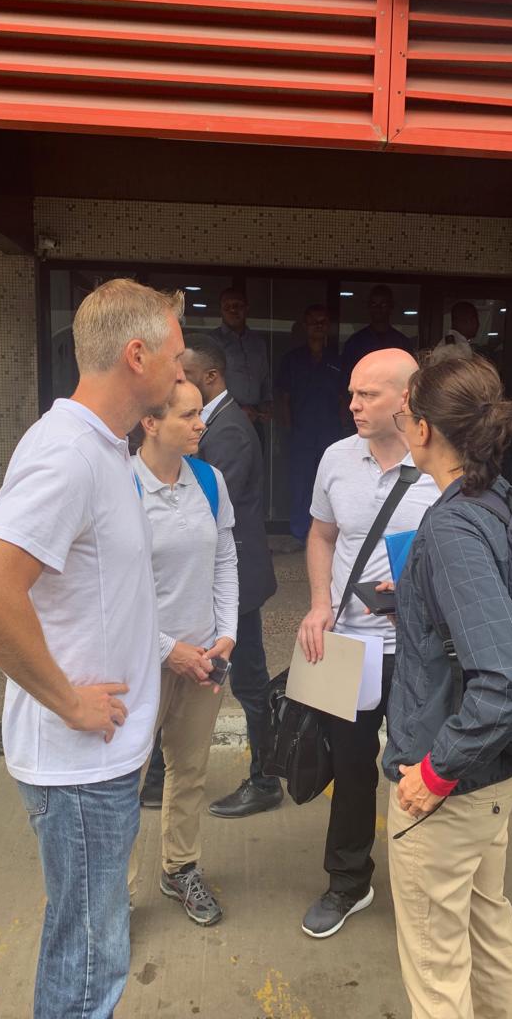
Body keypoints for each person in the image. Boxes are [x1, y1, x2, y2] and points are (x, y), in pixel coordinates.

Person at [0, 279, 185, 1019]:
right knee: (89, 965)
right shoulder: (68, 454)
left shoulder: (104, 449)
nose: (183, 372)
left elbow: (106, 596)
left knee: (91, 947)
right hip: (82, 766)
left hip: (101, 760)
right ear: (137, 355)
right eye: (176, 357)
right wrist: (69, 702)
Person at [383, 353, 512, 1019]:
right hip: (496, 776)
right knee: (486, 921)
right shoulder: (499, 499)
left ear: (423, 429)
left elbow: (509, 677)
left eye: (404, 414)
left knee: (437, 966)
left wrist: (435, 771)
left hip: (452, 782)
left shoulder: (451, 526)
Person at [296, 348, 439, 938]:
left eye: (367, 394)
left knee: (419, 771)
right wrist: (319, 604)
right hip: (350, 646)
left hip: (418, 650)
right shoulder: (336, 457)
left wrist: (419, 590)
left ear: (406, 398)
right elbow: (321, 535)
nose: (352, 404)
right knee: (350, 768)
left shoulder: (441, 463)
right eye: (352, 393)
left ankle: (423, 886)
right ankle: (348, 882)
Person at [129, 380, 238, 925]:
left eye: (201, 413)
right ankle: (117, 895)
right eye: (188, 415)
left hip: (203, 658)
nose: (201, 424)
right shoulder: (121, 486)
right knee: (125, 781)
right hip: (138, 662)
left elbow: (225, 560)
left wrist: (226, 634)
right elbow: (112, 591)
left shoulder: (209, 481)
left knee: (189, 770)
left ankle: (180, 867)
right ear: (150, 422)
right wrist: (168, 650)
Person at [180, 333, 282, 817]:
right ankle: (159, 775)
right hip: (220, 576)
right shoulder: (213, 423)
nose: (177, 382)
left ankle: (265, 780)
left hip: (235, 580)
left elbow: (209, 507)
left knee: (250, 682)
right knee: (190, 675)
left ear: (211, 376)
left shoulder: (229, 431)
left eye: (185, 375)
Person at [276, 304, 343, 545]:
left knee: (330, 484)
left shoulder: (337, 360)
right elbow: (283, 399)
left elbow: (344, 399)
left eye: (323, 321)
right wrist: (287, 432)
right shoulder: (292, 360)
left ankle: (329, 535)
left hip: (331, 433)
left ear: (328, 326)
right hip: (301, 434)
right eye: (313, 321)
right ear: (305, 325)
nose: (318, 325)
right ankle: (300, 534)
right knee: (301, 484)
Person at [211, 287, 273, 435]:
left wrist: (267, 404)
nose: (233, 310)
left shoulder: (258, 342)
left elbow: (264, 378)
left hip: (255, 420)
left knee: (256, 451)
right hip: (224, 420)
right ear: (221, 310)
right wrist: (236, 409)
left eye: (237, 305)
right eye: (227, 306)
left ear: (246, 308)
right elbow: (208, 384)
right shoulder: (213, 341)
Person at [340, 285, 413, 386]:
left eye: (383, 304)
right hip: (364, 393)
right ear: (369, 307)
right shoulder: (355, 342)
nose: (378, 308)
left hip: (394, 394)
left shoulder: (402, 343)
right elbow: (346, 379)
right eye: (374, 304)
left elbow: (410, 377)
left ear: (391, 307)